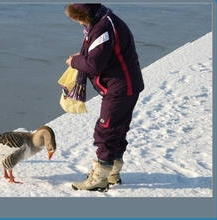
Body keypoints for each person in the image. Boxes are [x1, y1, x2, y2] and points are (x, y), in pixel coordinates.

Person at [65, 3, 144, 191]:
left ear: (86, 15)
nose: (78, 23)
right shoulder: (106, 21)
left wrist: (75, 61)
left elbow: (94, 65)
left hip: (120, 87)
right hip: (127, 84)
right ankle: (112, 174)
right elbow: (100, 53)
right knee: (117, 129)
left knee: (106, 130)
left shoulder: (103, 28)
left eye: (79, 18)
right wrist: (82, 56)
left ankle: (100, 177)